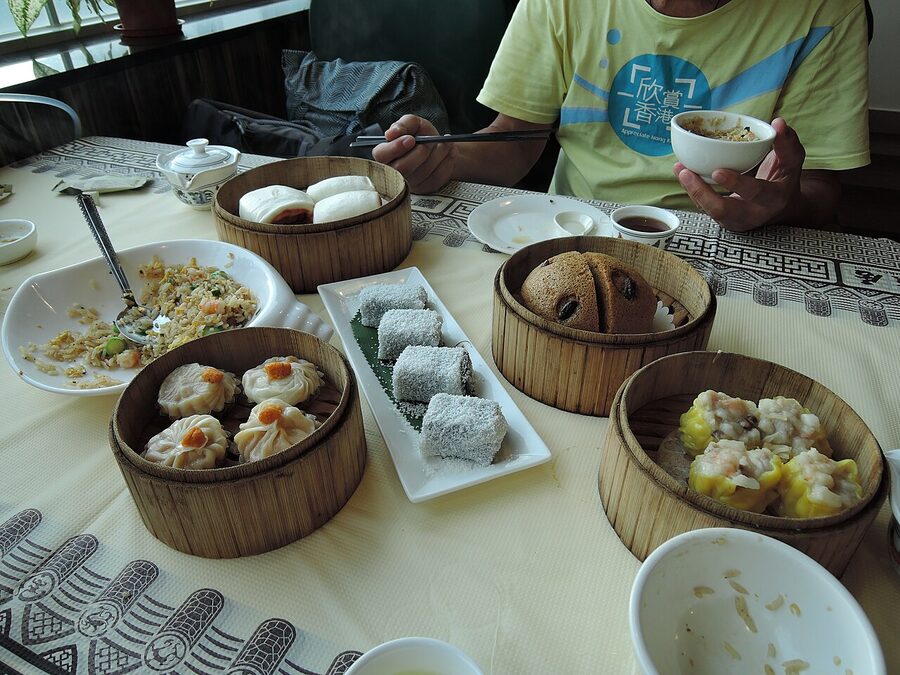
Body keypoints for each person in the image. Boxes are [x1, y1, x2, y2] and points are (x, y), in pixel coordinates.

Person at [373, 0, 870, 233]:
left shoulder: (826, 10)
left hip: (733, 239)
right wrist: (445, 158)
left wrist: (779, 204)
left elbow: (819, 188)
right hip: (575, 224)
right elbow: (516, 139)